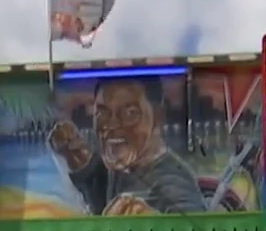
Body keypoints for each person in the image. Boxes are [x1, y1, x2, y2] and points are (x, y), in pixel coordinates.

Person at [48, 79, 208, 216]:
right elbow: (98, 188)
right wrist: (74, 153)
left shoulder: (173, 183)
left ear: (158, 117)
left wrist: (153, 224)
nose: (111, 125)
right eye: (102, 114)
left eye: (130, 114)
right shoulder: (125, 166)